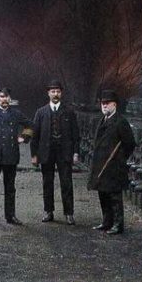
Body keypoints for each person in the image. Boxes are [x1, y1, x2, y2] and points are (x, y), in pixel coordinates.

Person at [0, 88, 33, 225]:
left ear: (10, 99)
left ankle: (10, 216)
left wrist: (23, 137)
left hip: (10, 156)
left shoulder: (16, 114)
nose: (4, 99)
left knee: (10, 188)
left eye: (6, 97)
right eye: (1, 96)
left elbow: (31, 125)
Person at [31, 79, 80, 225]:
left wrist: (75, 153)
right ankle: (48, 211)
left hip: (64, 152)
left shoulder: (69, 112)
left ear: (61, 93)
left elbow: (75, 134)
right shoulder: (41, 112)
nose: (55, 94)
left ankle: (69, 213)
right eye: (53, 91)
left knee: (66, 183)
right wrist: (34, 155)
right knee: (47, 182)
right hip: (46, 152)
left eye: (58, 91)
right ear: (48, 93)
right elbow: (35, 135)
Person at [87, 89, 136, 235]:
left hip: (114, 166)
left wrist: (120, 158)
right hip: (101, 164)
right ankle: (106, 222)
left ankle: (118, 224)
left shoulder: (121, 122)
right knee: (103, 194)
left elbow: (130, 143)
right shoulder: (102, 120)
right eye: (103, 103)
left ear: (115, 105)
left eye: (107, 103)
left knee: (114, 196)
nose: (104, 105)